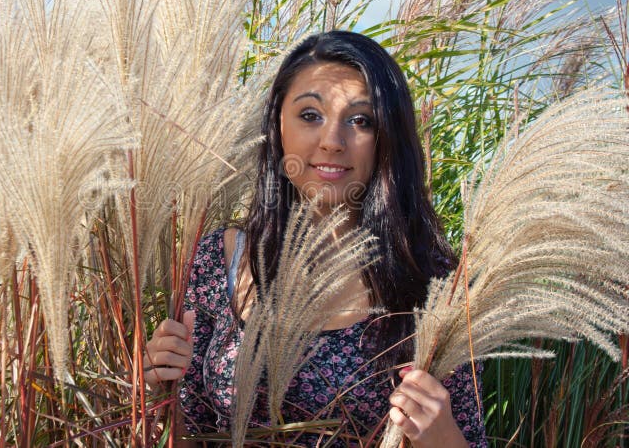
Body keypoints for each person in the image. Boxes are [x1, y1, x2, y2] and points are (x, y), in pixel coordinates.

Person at [144, 31, 487, 447]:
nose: (331, 141)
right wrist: (154, 388)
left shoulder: (436, 286)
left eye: (360, 121)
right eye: (310, 115)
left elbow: (467, 438)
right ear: (278, 126)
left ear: (387, 138)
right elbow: (191, 433)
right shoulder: (222, 259)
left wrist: (440, 434)